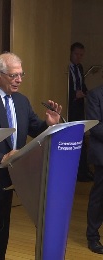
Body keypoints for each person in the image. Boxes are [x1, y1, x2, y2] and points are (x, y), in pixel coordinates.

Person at [0, 52, 62, 260]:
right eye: (13, 75)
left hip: (12, 178)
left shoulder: (22, 101)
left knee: (0, 233)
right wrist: (1, 158)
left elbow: (34, 128)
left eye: (21, 75)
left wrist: (48, 124)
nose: (19, 80)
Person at [69, 42, 93, 182]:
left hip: (79, 105)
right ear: (70, 53)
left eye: (81, 55)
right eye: (76, 54)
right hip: (69, 105)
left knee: (81, 137)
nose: (79, 57)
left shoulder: (79, 67)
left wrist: (86, 92)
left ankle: (83, 171)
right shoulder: (66, 67)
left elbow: (81, 84)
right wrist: (74, 94)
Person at [85, 85, 103, 254]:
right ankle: (92, 237)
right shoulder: (95, 95)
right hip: (102, 155)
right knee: (99, 197)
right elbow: (95, 126)